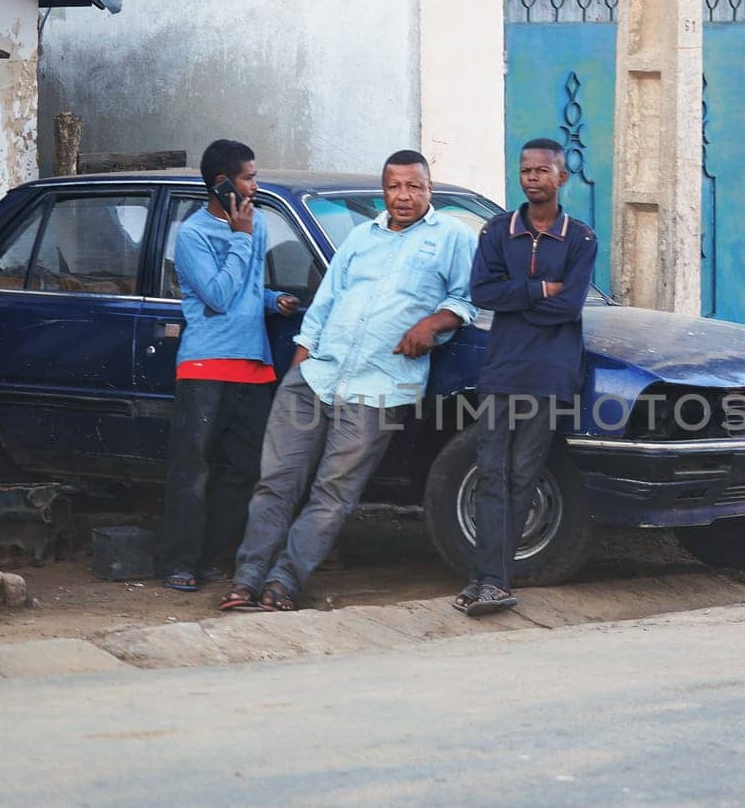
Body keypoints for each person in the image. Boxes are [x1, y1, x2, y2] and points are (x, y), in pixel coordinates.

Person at [218, 150, 476, 612]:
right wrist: (300, 364)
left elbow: (465, 299)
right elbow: (324, 303)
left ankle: (284, 583)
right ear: (384, 190)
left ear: (429, 189)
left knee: (333, 493)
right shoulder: (360, 238)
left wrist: (431, 325)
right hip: (317, 375)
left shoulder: (453, 237)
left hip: (379, 386)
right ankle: (247, 577)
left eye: (414, 186)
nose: (403, 196)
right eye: (395, 186)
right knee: (275, 482)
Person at [456, 138, 597, 616]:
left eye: (542, 170)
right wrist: (539, 289)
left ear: (562, 178)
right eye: (526, 170)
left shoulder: (580, 238)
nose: (533, 177)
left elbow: (569, 305)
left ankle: (491, 579)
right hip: (502, 371)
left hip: (551, 374)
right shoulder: (497, 232)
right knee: (491, 473)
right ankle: (488, 578)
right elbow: (482, 292)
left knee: (523, 475)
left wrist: (519, 300)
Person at [160, 140, 300, 592]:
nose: (255, 187)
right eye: (249, 178)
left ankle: (216, 556)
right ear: (222, 184)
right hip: (205, 366)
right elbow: (217, 297)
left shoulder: (256, 227)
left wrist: (270, 300)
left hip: (252, 366)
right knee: (193, 469)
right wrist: (240, 238)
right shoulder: (194, 235)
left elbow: (242, 290)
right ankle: (180, 562)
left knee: (245, 471)